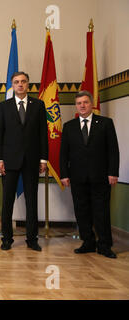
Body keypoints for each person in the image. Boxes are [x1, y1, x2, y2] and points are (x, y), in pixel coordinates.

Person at [60, 91, 119, 259]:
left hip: (101, 176)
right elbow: (64, 154)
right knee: (82, 211)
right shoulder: (69, 126)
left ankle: (104, 245)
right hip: (77, 177)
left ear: (91, 104)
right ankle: (88, 242)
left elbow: (113, 151)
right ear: (76, 106)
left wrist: (113, 172)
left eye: (85, 102)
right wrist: (64, 174)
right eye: (79, 103)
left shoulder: (106, 123)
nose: (82, 105)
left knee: (101, 211)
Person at [0, 71, 48, 251]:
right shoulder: (4, 106)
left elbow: (43, 135)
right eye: (16, 82)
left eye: (23, 81)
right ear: (12, 85)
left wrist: (43, 159)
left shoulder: (39, 105)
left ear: (28, 84)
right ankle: (6, 238)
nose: (20, 85)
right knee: (7, 201)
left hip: (32, 160)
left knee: (32, 201)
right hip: (9, 161)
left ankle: (32, 239)